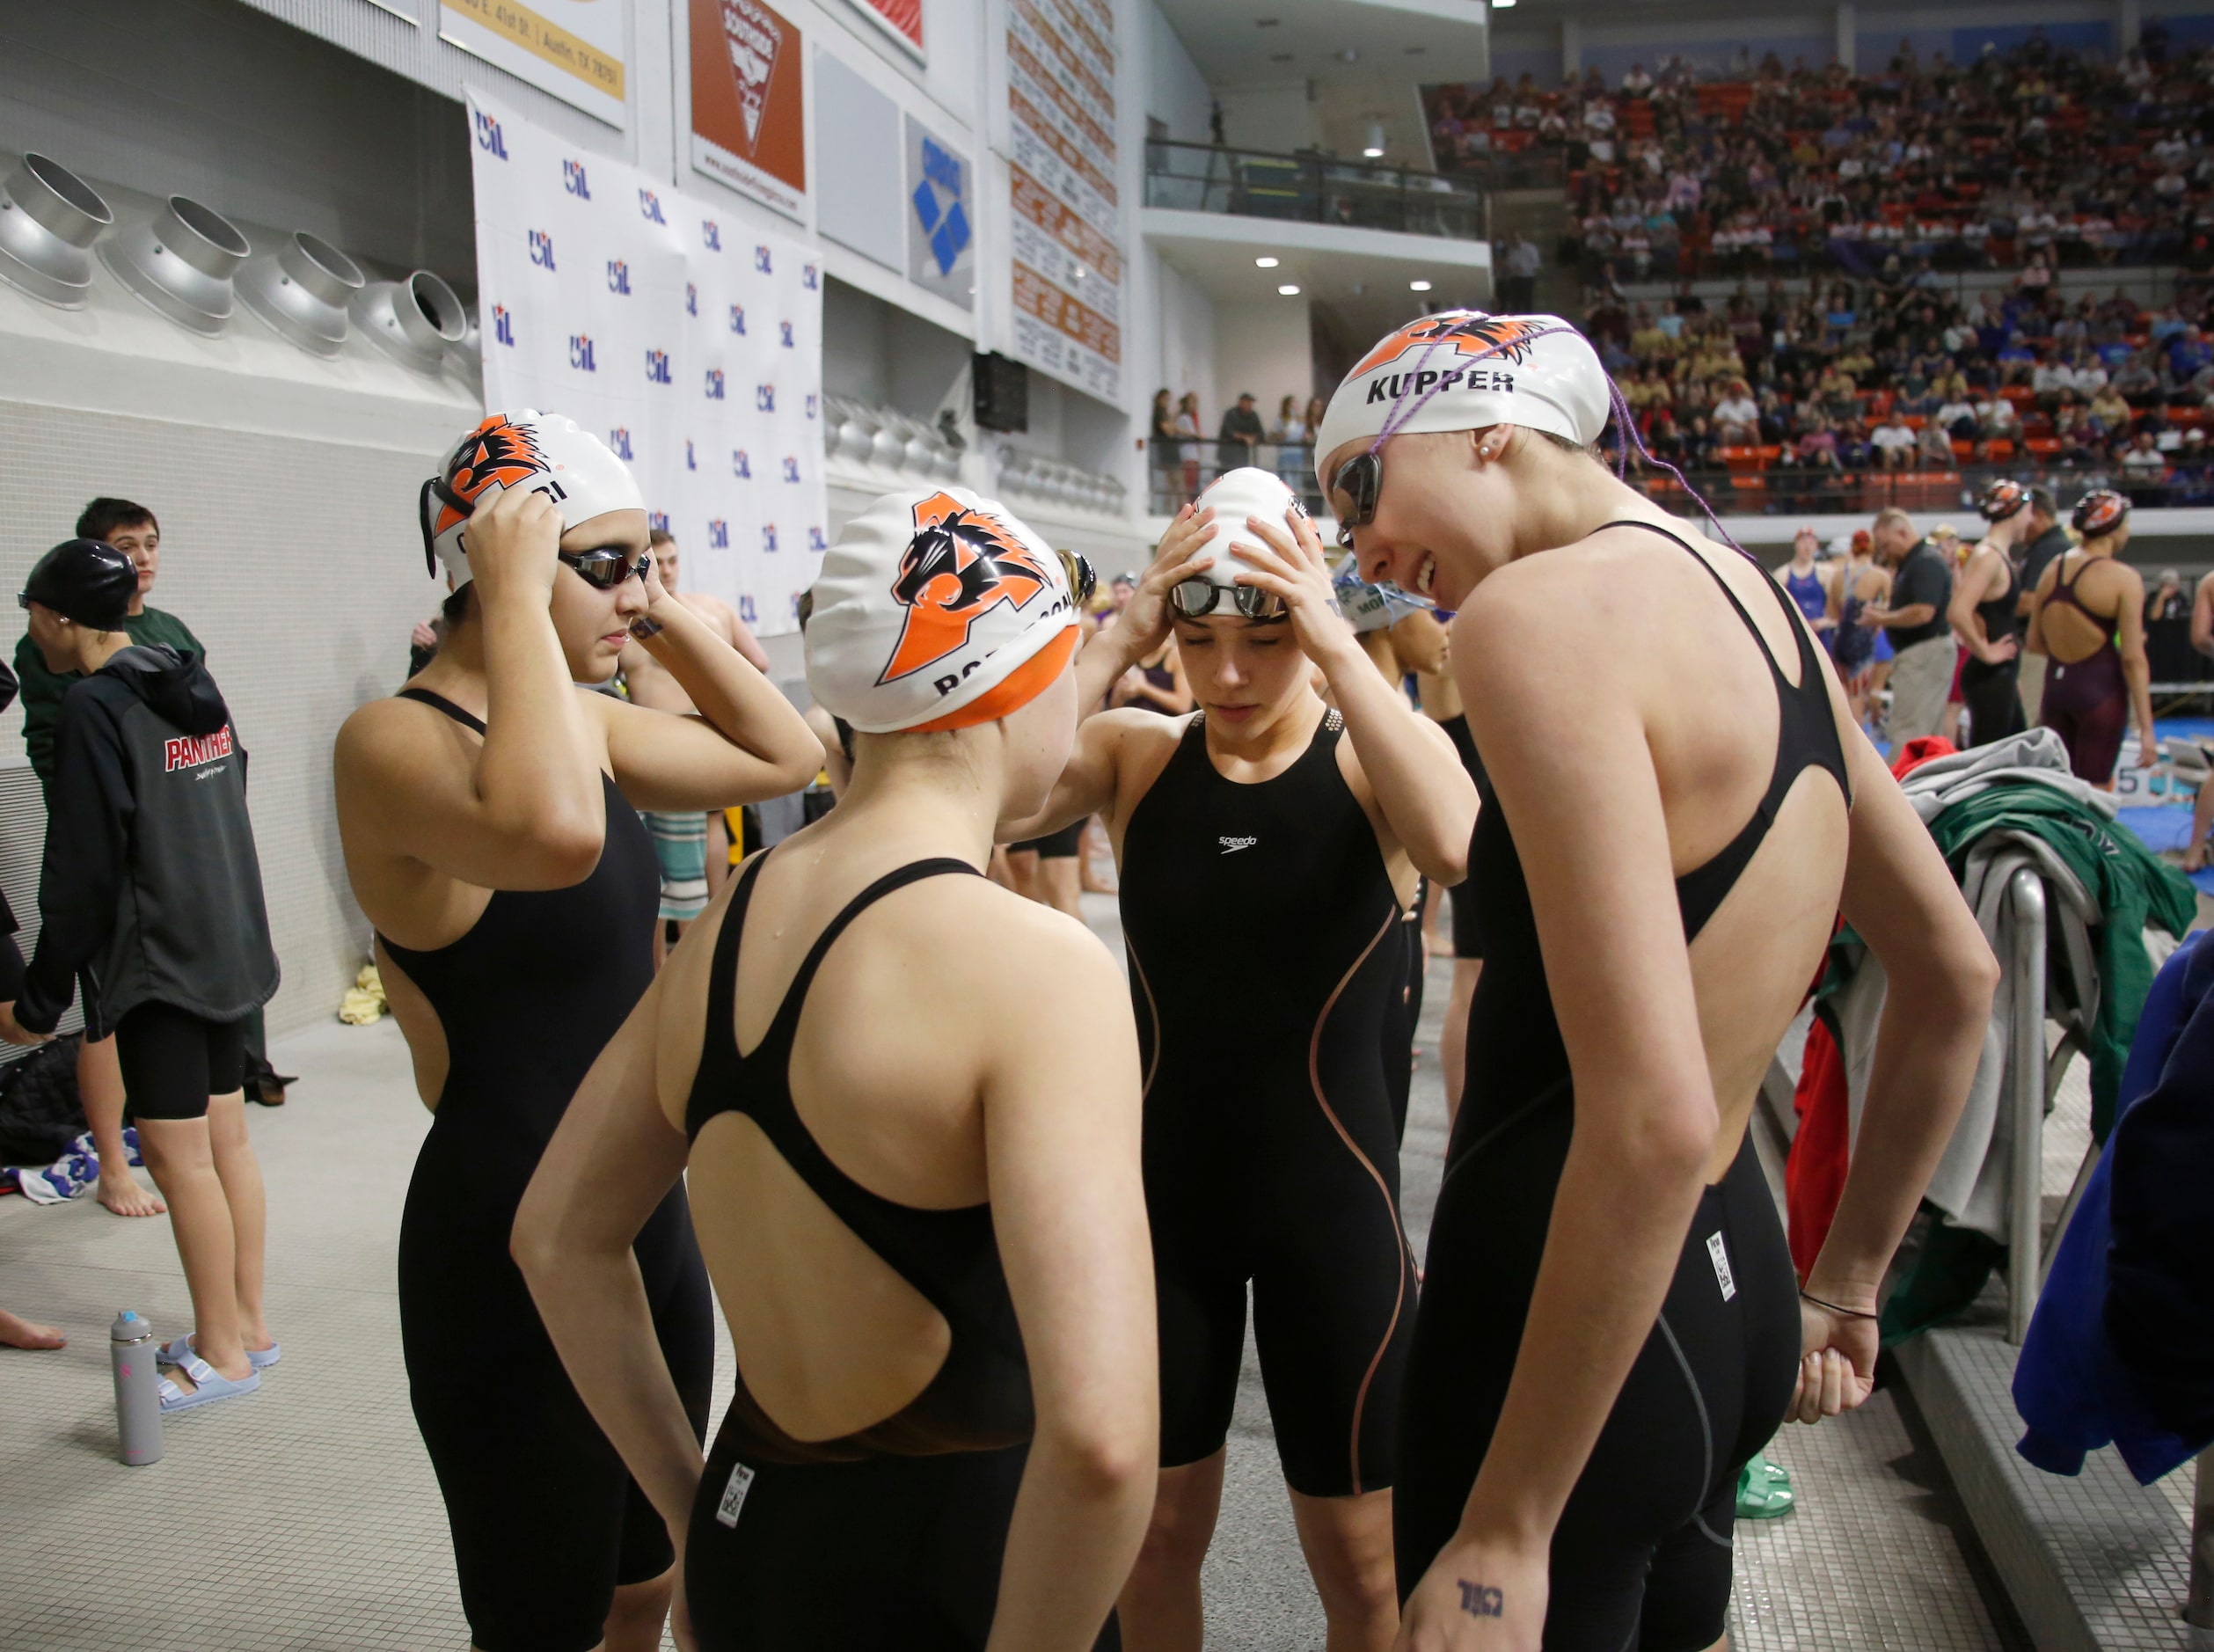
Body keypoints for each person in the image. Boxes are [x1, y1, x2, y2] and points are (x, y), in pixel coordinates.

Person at [1318, 309, 1995, 1651]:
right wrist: (1849, 1274)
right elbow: (1953, 971)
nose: (1362, 550)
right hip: (1723, 1291)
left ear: (1487, 425)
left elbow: (1652, 1114)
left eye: (1359, 483)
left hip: (1567, 1319)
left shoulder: (1537, 615)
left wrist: (1509, 1526)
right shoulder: (1757, 602)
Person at [512, 486, 1157, 1651]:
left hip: (758, 1549)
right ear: (1010, 683)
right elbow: (1106, 1444)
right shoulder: (1035, 967)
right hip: (969, 1575)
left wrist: (688, 1499)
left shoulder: (727, 923)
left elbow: (555, 1233)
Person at [332, 411, 824, 1652]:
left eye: (640, 556)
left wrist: (652, 613)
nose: (631, 589)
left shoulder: (584, 723)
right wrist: (514, 597)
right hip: (503, 1237)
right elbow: (551, 835)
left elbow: (788, 752)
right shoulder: (393, 740)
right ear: (488, 563)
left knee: (650, 1571)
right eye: (596, 561)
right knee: (538, 1609)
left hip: (643, 1203)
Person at [1001, 464, 1480, 1651]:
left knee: (1365, 1569)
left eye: (1260, 644)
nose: (1223, 674)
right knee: (1151, 1539)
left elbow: (1461, 841)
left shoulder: (1373, 765)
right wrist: (1118, 635)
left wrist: (1331, 632)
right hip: (1164, 1217)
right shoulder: (1134, 756)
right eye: (1199, 640)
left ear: (1311, 629)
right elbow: (994, 796)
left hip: (1338, 1219)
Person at [0, 539, 282, 1411]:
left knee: (175, 1155)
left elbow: (83, 863)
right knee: (226, 1143)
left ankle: (223, 1355)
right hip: (227, 939)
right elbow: (231, 786)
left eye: (32, 617)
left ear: (57, 616)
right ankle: (249, 1325)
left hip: (158, 956)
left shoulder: (93, 705)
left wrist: (45, 991)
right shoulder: (190, 677)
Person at [11, 497, 192, 1219]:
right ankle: (112, 1162)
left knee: (169, 1014)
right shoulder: (54, 646)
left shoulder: (170, 634)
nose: (143, 558)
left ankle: (166, 1135)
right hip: (100, 837)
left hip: (170, 849)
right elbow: (60, 747)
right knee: (103, 1010)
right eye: (127, 546)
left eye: (151, 542)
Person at [619, 528, 774, 963]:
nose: (666, 570)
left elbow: (758, 663)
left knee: (703, 834)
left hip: (691, 739)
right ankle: (672, 964)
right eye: (658, 563)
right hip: (644, 745)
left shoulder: (707, 614)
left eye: (672, 561)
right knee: (653, 857)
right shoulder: (633, 617)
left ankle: (706, 945)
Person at [2026, 488, 2157, 786]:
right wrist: (2147, 729)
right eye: (2126, 524)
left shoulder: (2053, 569)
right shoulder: (2124, 579)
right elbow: (2134, 659)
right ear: (2113, 528)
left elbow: (2034, 642)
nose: (2129, 531)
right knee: (2096, 790)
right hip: (2100, 692)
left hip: (2057, 690)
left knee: (2060, 786)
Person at [1947, 479, 2035, 749]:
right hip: (1990, 676)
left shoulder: (1997, 555)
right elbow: (1958, 611)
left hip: (2000, 675)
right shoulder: (1989, 557)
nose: (2031, 519)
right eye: (2029, 511)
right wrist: (1985, 652)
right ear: (2015, 512)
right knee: (1988, 763)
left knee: (2014, 754)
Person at [1860, 507, 1956, 742]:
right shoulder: (1913, 563)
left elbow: (1924, 612)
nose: (1884, 552)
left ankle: (1900, 779)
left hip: (1923, 655)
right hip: (1920, 654)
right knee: (1925, 733)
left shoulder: (1925, 562)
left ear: (1902, 534)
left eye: (1885, 545)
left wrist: (1882, 618)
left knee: (1908, 730)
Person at [2014, 485, 2072, 723]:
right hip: (2045, 648)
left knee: (2030, 721)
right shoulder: (2042, 547)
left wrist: (1992, 606)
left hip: (2041, 651)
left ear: (2038, 515)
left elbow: (2029, 602)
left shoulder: (2051, 547)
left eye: (2023, 516)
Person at [1774, 528, 1835, 651]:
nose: (1807, 548)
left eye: (1811, 544)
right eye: (1804, 543)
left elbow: (1835, 611)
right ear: (1796, 545)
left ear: (1816, 546)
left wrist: (1823, 622)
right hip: (1795, 633)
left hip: (1820, 634)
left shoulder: (1826, 573)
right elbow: (1776, 610)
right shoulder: (1782, 574)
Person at [1217, 391, 1267, 475]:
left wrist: (1253, 438)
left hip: (1243, 455)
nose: (1250, 405)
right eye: (1248, 402)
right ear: (1241, 402)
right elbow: (1229, 432)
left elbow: (1260, 433)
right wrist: (1244, 437)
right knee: (1228, 476)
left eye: (1251, 402)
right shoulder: (1231, 414)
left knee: (1241, 475)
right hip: (1228, 453)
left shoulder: (1253, 415)